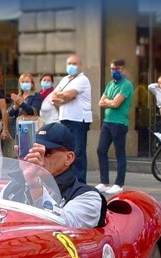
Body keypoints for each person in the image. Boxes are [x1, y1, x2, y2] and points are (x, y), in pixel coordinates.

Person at [20, 122, 106, 229]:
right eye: (33, 150)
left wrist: (34, 183)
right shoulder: (15, 186)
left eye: (46, 152)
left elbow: (65, 227)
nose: (38, 156)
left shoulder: (88, 196)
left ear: (68, 158)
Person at [51, 55, 93, 182]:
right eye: (69, 63)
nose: (71, 66)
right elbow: (53, 97)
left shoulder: (82, 79)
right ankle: (69, 179)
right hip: (65, 118)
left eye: (74, 63)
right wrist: (65, 97)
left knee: (78, 152)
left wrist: (64, 97)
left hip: (79, 120)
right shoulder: (65, 80)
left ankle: (79, 181)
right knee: (67, 151)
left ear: (80, 65)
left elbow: (69, 94)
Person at [95, 59, 134, 195]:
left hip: (119, 123)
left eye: (117, 69)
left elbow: (116, 104)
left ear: (123, 69)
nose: (114, 71)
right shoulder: (110, 84)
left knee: (119, 152)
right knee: (101, 150)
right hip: (107, 121)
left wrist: (108, 101)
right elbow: (100, 102)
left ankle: (119, 183)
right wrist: (109, 102)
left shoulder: (127, 85)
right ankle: (104, 181)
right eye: (112, 68)